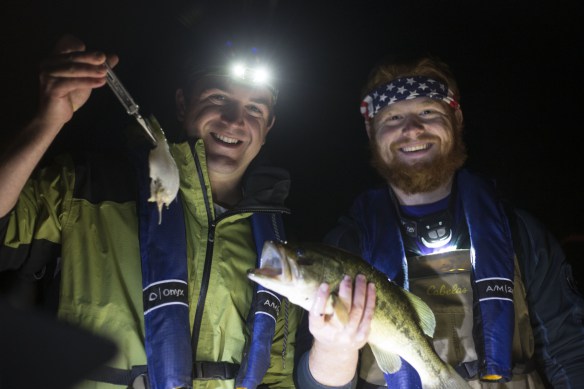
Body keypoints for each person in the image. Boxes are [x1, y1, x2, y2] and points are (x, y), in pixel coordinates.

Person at [0, 34, 301, 389]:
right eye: (218, 97)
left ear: (268, 128)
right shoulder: (87, 188)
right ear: (182, 103)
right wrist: (46, 122)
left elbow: (277, 378)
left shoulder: (276, 250)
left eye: (255, 109)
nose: (235, 120)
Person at [294, 55, 584, 388]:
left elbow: (571, 351)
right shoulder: (344, 248)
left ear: (456, 117)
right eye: (393, 117)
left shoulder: (519, 231)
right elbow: (310, 382)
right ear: (371, 131)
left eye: (428, 112)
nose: (412, 129)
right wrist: (332, 347)